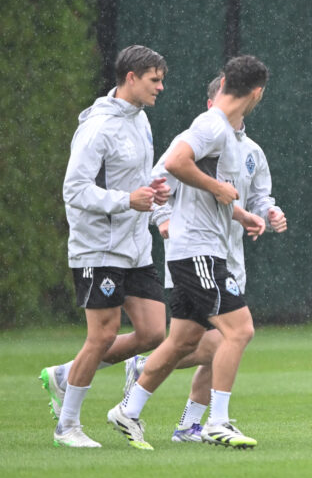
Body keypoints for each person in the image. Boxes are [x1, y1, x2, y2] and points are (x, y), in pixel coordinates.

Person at [107, 55, 269, 450]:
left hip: (198, 248)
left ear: (226, 80)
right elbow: (176, 163)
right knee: (240, 329)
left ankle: (127, 410)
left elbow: (207, 189)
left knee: (182, 340)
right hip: (198, 249)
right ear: (257, 92)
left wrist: (241, 213)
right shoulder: (212, 124)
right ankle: (217, 421)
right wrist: (216, 189)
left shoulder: (226, 133)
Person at [43, 45, 171, 448]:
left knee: (153, 332)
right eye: (154, 80)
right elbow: (74, 189)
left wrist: (153, 193)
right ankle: (67, 426)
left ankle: (67, 374)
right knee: (103, 334)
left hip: (135, 246)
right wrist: (126, 200)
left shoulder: (141, 120)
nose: (161, 87)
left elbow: (138, 178)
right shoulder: (98, 126)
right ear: (130, 78)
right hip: (98, 246)